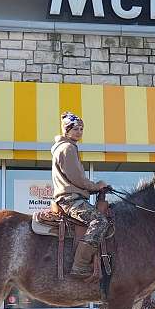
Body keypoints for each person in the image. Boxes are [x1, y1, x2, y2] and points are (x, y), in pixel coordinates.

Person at [51, 111, 111, 280]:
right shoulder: (68, 148)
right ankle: (80, 265)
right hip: (69, 200)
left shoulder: (67, 147)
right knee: (100, 221)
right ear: (66, 130)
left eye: (81, 129)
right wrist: (96, 186)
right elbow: (77, 178)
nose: (79, 132)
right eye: (75, 128)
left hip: (68, 198)